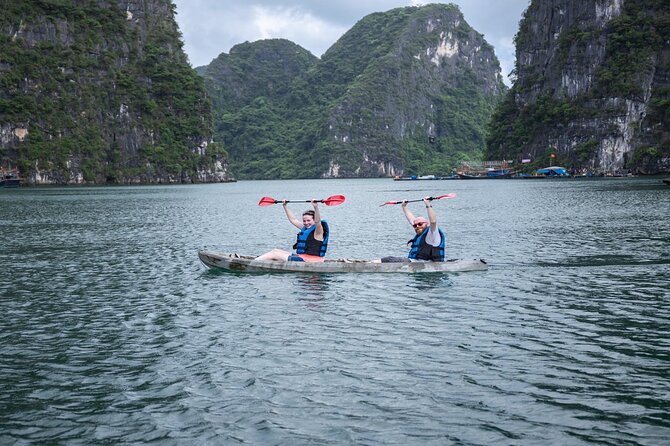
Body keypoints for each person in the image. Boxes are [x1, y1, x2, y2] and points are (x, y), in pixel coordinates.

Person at [256, 200, 329, 262]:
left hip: (311, 260)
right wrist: (285, 206)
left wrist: (316, 207)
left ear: (314, 220)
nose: (306, 223)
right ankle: (258, 260)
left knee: (274, 254)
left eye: (309, 220)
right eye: (304, 221)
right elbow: (293, 220)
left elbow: (318, 221)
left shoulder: (318, 231)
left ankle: (254, 262)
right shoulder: (306, 228)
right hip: (303, 257)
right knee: (276, 250)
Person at [381, 197, 445, 262]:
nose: (417, 226)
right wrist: (404, 206)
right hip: (417, 263)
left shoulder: (432, 234)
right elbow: (411, 220)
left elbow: (433, 221)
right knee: (390, 259)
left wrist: (428, 204)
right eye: (415, 226)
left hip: (428, 264)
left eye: (420, 224)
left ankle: (373, 264)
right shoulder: (420, 231)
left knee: (389, 259)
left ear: (427, 224)